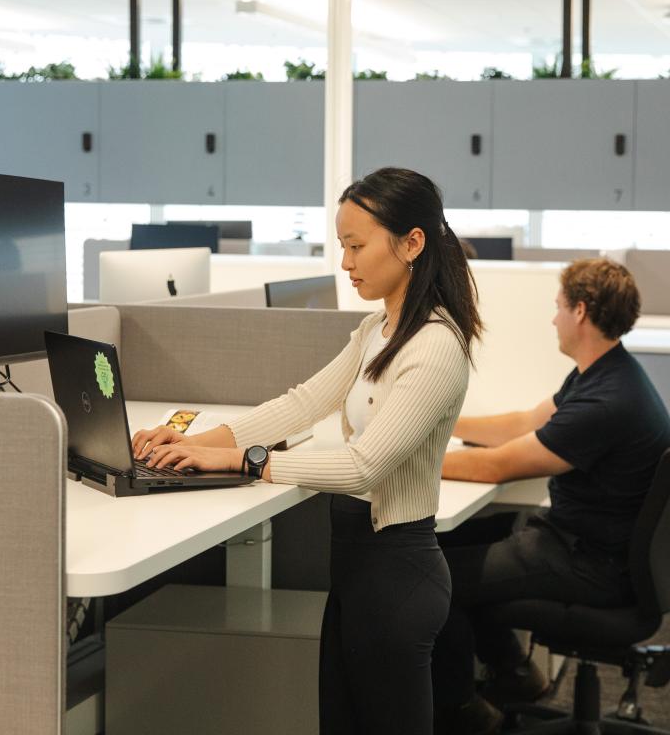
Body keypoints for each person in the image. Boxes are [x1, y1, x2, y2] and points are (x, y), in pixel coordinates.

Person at [131, 166, 483, 734]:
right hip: (356, 570)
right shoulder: (379, 331)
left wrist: (248, 462)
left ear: (412, 243)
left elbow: (365, 466)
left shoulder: (437, 346)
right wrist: (194, 443)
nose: (345, 263)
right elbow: (301, 404)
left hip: (398, 575)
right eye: (343, 246)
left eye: (356, 245)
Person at [431, 257, 670, 735]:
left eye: (558, 307)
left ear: (580, 312)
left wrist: (405, 458)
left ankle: (464, 713)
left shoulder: (607, 401)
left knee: (434, 584)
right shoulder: (604, 371)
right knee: (454, 548)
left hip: (591, 565)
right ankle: (516, 674)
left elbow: (499, 465)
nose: (553, 318)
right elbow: (523, 423)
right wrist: (435, 425)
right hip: (585, 546)